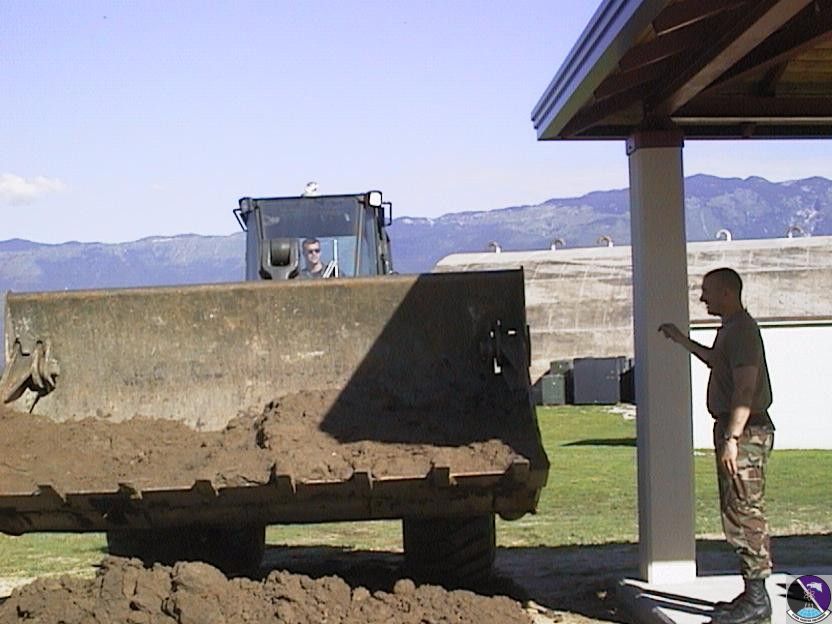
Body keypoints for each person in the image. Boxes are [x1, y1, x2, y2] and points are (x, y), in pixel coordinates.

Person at [659, 268, 774, 624]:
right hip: (735, 430)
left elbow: (745, 388)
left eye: (708, 291)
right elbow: (716, 362)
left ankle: (758, 603)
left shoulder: (741, 331)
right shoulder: (732, 329)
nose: (702, 297)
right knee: (737, 512)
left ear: (727, 292)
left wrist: (732, 439)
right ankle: (751, 595)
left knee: (746, 514)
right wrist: (682, 340)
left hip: (745, 433)